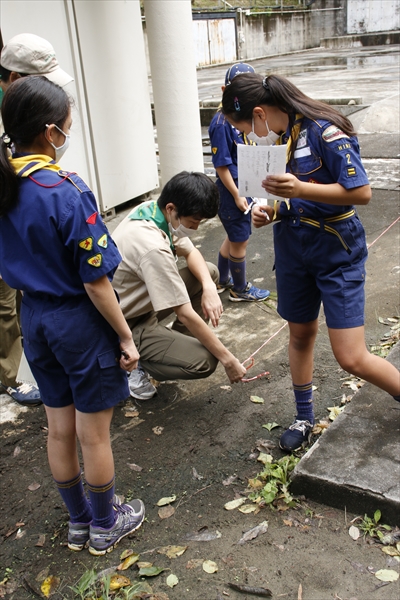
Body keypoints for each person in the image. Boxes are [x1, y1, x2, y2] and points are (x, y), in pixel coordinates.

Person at [0, 76, 145, 555]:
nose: (67, 134)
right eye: (65, 126)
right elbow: (95, 280)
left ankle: (80, 521)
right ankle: (107, 525)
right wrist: (125, 337)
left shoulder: (5, 182)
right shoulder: (64, 189)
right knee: (94, 434)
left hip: (35, 319)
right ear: (50, 132)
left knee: (58, 428)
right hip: (77, 321)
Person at [221, 72, 400, 451]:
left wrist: (300, 188)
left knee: (351, 356)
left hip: (336, 249)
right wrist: (267, 211)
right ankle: (304, 416)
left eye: (245, 128)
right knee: (300, 334)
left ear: (259, 114)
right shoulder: (278, 139)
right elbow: (277, 197)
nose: (250, 138)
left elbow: (362, 192)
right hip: (292, 248)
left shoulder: (325, 130)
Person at [111, 171, 247, 399]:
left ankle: (165, 345)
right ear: (173, 208)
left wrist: (210, 288)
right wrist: (229, 360)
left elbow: (191, 252)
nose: (195, 228)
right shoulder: (152, 247)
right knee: (205, 361)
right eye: (194, 221)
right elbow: (184, 313)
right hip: (123, 325)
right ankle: (131, 366)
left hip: (140, 303)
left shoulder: (154, 212)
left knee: (209, 274)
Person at [0, 33, 74, 407]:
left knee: (11, 303)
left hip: (37, 308)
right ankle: (9, 376)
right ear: (14, 79)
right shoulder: (66, 193)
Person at [208, 62, 270, 302]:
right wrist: (236, 194)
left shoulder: (239, 118)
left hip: (242, 187)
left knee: (234, 237)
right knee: (240, 240)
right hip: (232, 190)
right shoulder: (222, 123)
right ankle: (240, 289)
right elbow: (221, 165)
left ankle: (223, 281)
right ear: (225, 90)